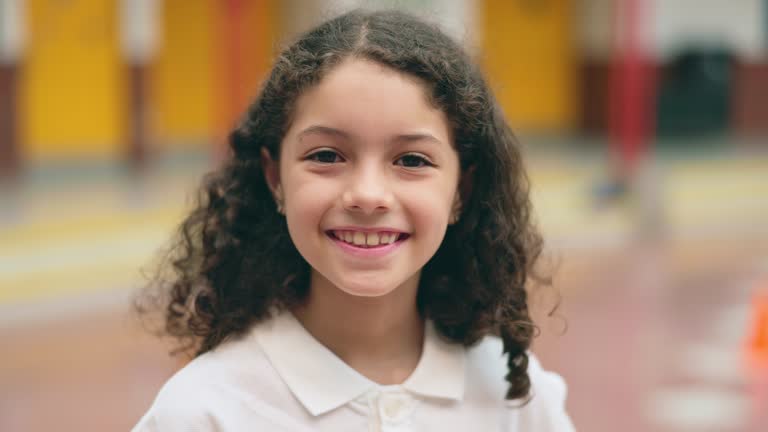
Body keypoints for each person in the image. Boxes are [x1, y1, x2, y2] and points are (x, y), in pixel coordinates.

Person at [132, 9, 575, 431]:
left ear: (462, 189)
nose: (367, 195)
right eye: (326, 155)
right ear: (275, 178)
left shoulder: (516, 401)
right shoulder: (202, 413)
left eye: (412, 159)